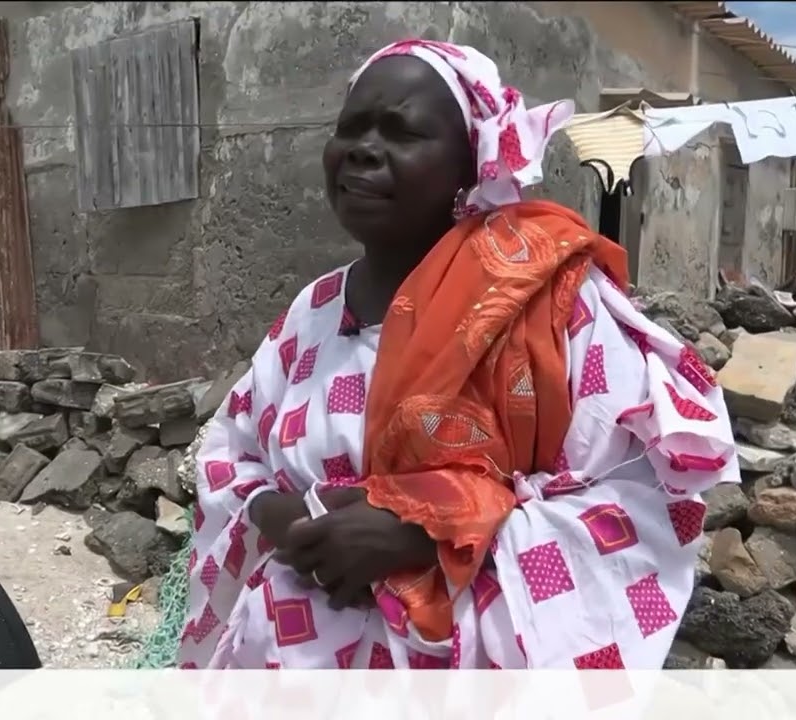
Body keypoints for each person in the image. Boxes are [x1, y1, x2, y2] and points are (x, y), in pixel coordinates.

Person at [176, 40, 738, 670]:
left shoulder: (552, 304)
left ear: (472, 165)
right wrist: (281, 519)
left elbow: (638, 496)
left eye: (402, 132)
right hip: (287, 661)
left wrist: (421, 533)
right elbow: (233, 448)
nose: (362, 148)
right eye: (350, 128)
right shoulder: (314, 309)